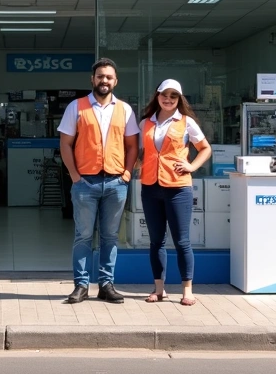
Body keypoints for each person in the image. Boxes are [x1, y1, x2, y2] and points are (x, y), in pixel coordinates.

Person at [57, 58, 140, 304]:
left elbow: (132, 146)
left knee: (110, 237)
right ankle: (81, 286)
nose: (104, 80)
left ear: (116, 81)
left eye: (109, 77)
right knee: (83, 236)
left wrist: (127, 174)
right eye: (100, 76)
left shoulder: (125, 109)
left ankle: (106, 285)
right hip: (85, 182)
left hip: (116, 183)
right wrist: (74, 175)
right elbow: (65, 144)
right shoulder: (76, 107)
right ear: (92, 79)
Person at [138, 79, 211, 306]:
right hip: (150, 187)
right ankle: (159, 289)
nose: (168, 99)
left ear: (179, 99)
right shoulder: (145, 123)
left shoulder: (186, 122)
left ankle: (187, 290)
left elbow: (205, 148)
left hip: (178, 188)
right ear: (157, 96)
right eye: (164, 95)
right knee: (156, 241)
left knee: (182, 241)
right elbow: (140, 151)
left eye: (173, 96)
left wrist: (192, 166)